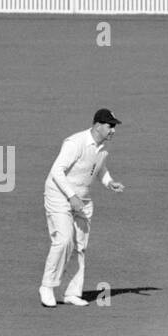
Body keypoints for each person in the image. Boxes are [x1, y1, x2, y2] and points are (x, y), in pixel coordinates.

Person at [39, 108, 125, 307]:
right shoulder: (75, 143)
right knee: (63, 240)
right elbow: (56, 171)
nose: (113, 130)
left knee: (79, 246)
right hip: (59, 195)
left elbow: (99, 167)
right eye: (110, 126)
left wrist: (109, 182)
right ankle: (47, 286)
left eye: (114, 126)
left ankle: (71, 293)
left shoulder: (103, 147)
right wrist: (71, 196)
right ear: (97, 125)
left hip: (83, 199)